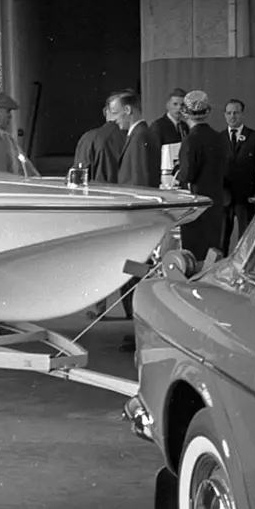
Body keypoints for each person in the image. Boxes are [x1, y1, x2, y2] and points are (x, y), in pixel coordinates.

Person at [108, 89, 161, 351]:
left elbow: (139, 185)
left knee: (137, 273)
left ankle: (140, 332)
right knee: (136, 273)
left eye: (117, 113)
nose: (114, 119)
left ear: (129, 110)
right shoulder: (139, 135)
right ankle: (138, 329)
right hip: (138, 222)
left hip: (138, 223)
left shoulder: (140, 137)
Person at [176, 90, 230, 263]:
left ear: (185, 114)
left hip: (195, 205)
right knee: (212, 252)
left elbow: (187, 174)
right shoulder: (220, 138)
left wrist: (177, 171)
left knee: (194, 257)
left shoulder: (190, 140)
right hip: (215, 202)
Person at [220, 98, 255, 254]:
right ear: (224, 115)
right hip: (224, 199)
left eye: (236, 113)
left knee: (246, 243)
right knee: (220, 242)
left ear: (242, 115)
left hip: (246, 198)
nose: (232, 116)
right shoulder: (218, 138)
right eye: (228, 113)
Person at [72, 101, 126, 183]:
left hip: (98, 193)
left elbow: (78, 177)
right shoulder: (133, 137)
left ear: (105, 111)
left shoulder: (89, 138)